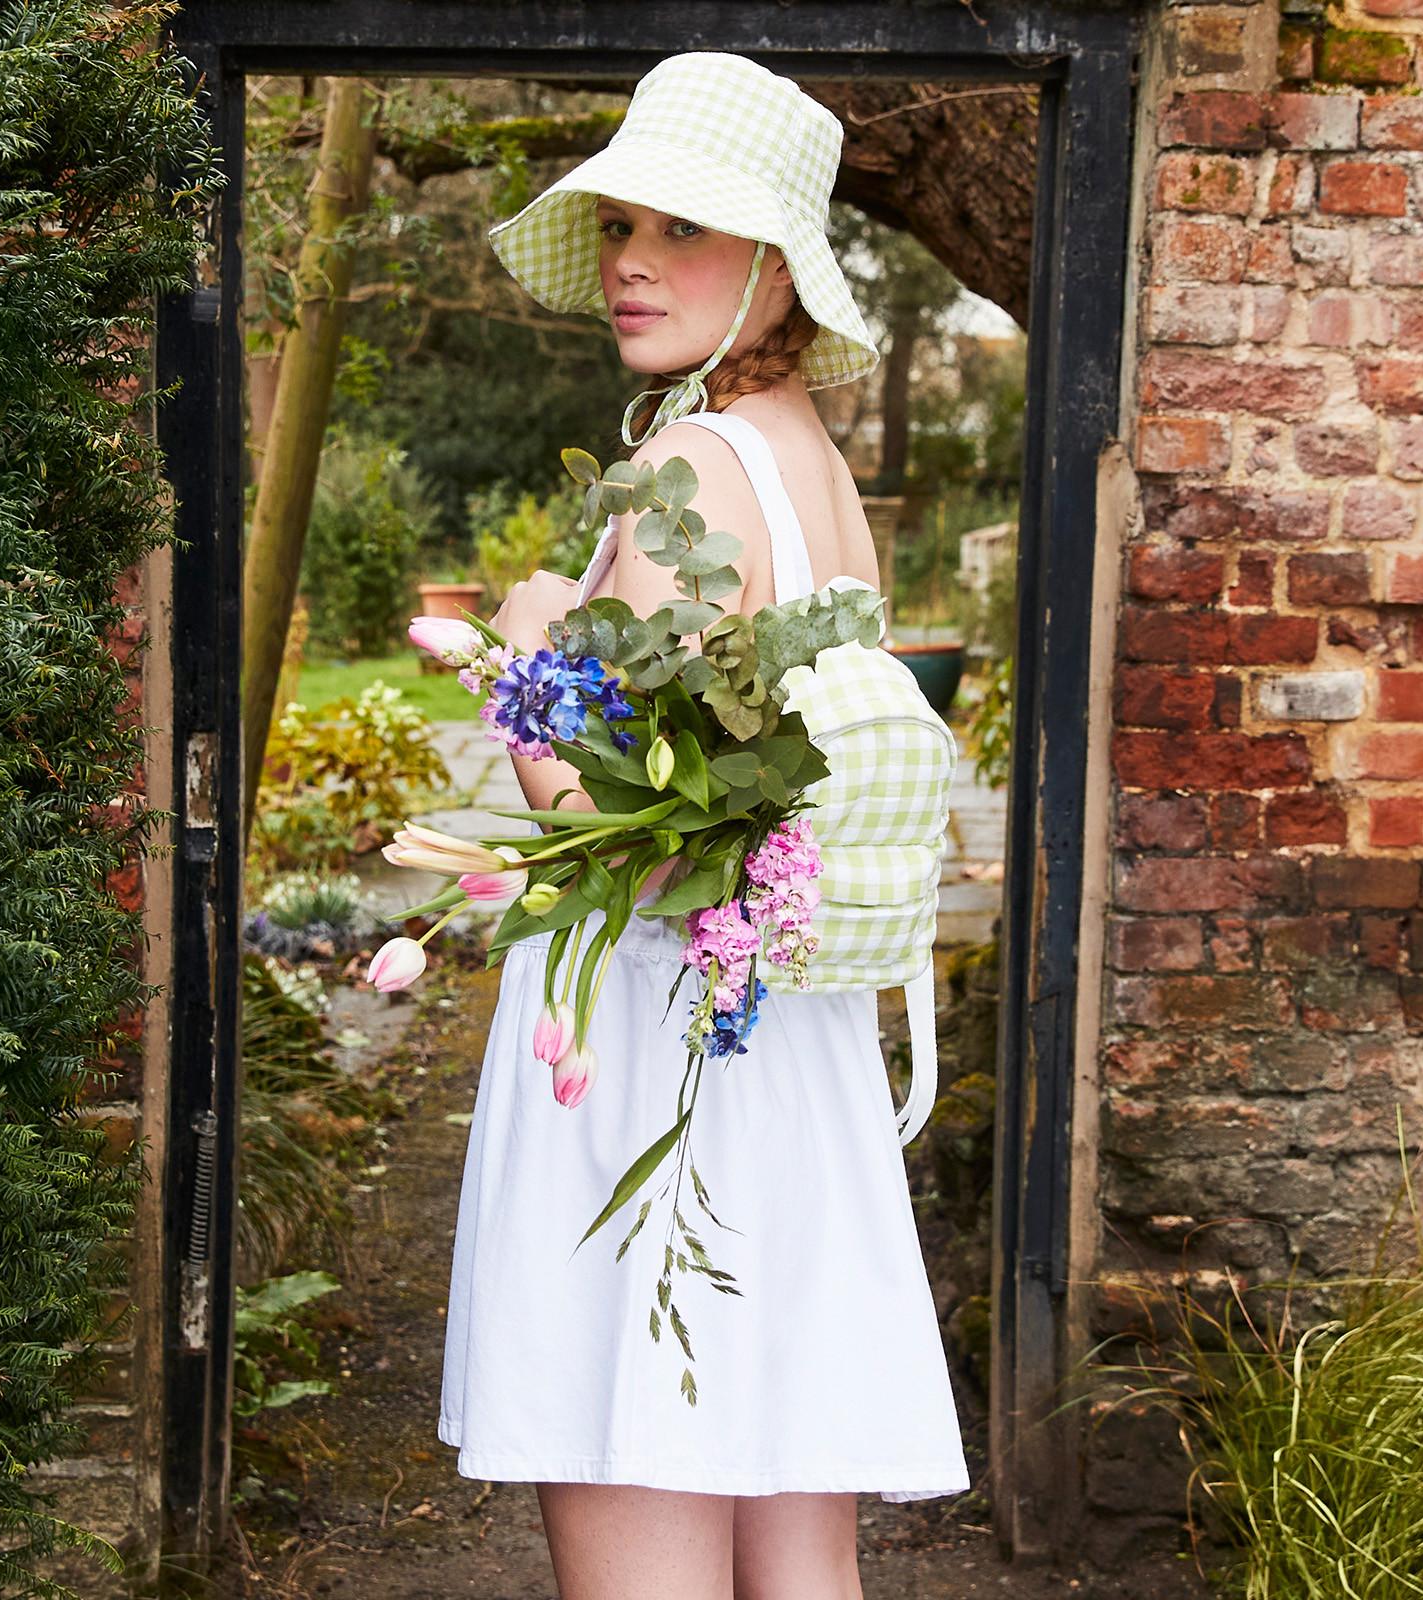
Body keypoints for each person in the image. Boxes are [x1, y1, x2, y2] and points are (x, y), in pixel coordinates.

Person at [437, 51, 970, 1599]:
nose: (630, 261)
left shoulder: (685, 466)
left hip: (655, 1057)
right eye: (622, 225)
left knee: (647, 1516)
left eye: (685, 229)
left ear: (781, 271)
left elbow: (637, 845)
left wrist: (526, 646)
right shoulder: (813, 468)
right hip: (781, 1052)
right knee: (798, 1562)